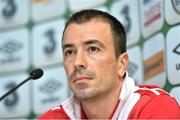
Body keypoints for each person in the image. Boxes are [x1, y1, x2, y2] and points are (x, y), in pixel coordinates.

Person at [38, 9, 180, 119]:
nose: (77, 62)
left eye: (93, 49)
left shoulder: (155, 107)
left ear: (122, 64)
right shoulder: (52, 118)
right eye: (69, 52)